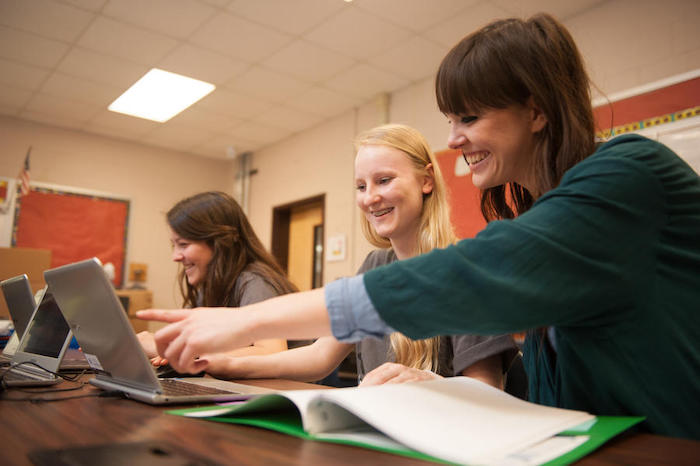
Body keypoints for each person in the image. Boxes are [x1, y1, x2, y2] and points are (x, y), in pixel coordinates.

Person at [138, 14, 700, 439]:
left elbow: (469, 276)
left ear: (536, 110)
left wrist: (237, 325)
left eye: (470, 117)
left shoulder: (629, 173)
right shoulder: (540, 215)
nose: (454, 138)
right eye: (450, 120)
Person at [200, 124, 517, 388]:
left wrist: (432, 383)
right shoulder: (374, 266)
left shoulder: (468, 270)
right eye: (361, 186)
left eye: (384, 180)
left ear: (426, 180)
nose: (370, 198)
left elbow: (488, 389)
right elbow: (320, 356)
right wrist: (228, 365)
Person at [137, 191, 296, 364]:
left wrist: (185, 352)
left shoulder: (254, 282)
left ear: (221, 243)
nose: (175, 256)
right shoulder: (209, 286)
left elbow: (272, 352)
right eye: (173, 245)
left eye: (183, 244)